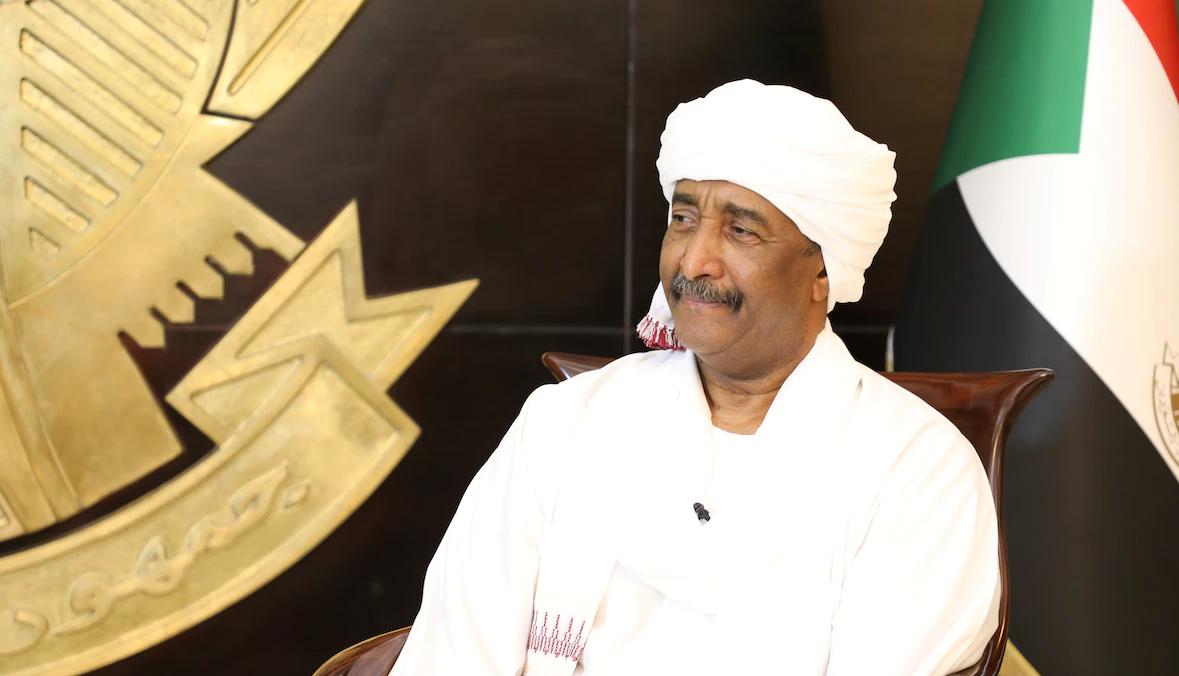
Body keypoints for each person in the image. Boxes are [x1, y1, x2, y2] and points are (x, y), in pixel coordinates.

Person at [390, 79, 1000, 676]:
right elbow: (453, 653)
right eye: (683, 219)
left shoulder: (917, 469)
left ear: (822, 270)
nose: (693, 261)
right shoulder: (568, 422)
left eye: (740, 229)